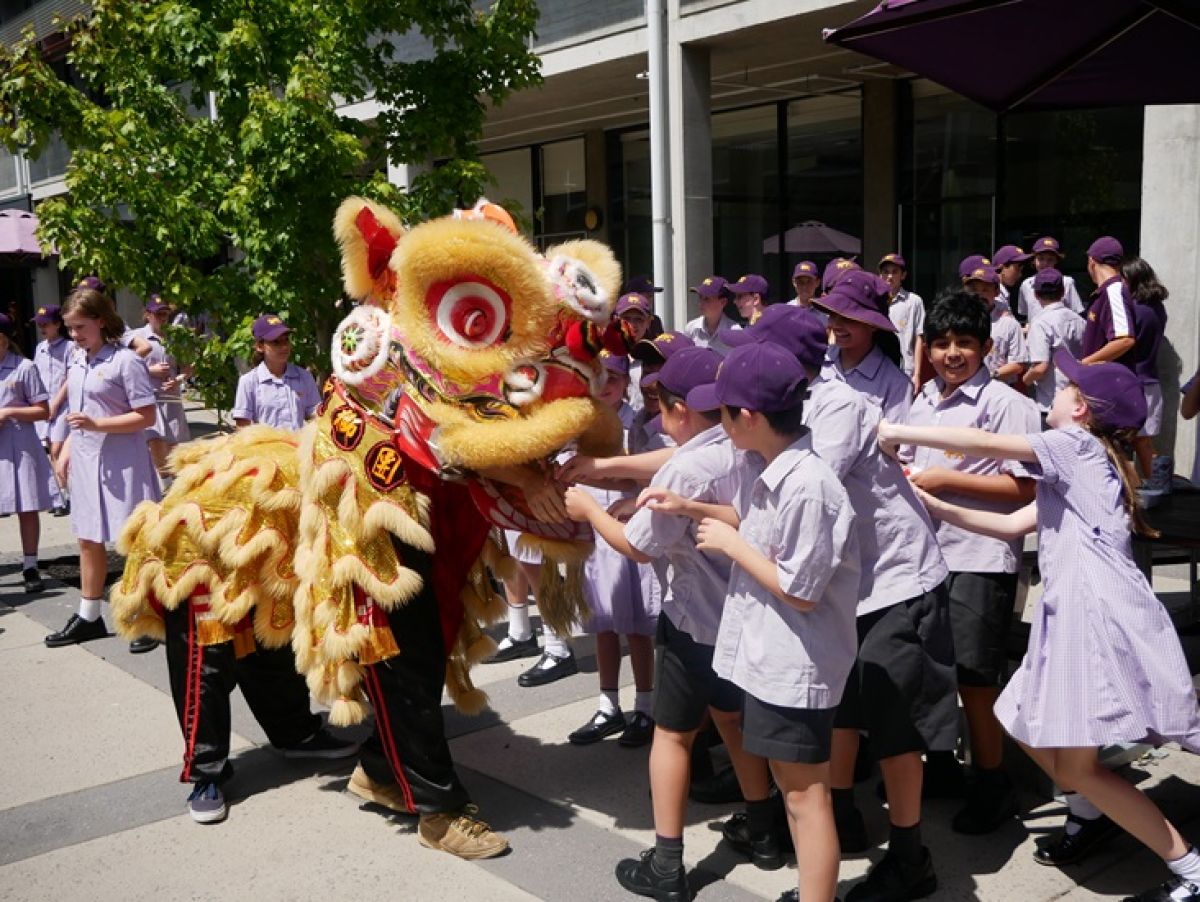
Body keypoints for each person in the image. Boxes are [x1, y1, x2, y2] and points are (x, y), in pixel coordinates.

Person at [880, 351, 1200, 902]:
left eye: (1066, 387)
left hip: (1092, 620)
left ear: (1082, 411)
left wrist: (896, 429)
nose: (1054, 389)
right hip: (1077, 617)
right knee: (1021, 719)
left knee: (1080, 765)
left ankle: (1189, 868)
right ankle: (1090, 813)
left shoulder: (1074, 448)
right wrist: (929, 500)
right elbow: (1007, 523)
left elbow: (987, 445)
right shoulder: (1076, 462)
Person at [723, 305, 957, 901]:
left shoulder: (838, 412)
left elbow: (795, 507)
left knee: (893, 723)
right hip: (839, 591)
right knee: (843, 712)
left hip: (893, 580)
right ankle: (840, 820)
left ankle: (909, 856)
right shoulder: (788, 417)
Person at [566, 347, 772, 902]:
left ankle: (666, 863)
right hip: (743, 619)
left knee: (672, 737)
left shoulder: (684, 465)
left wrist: (590, 509)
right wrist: (609, 473)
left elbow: (636, 547)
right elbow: (671, 466)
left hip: (694, 623)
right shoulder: (744, 442)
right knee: (732, 720)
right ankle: (764, 828)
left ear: (674, 408)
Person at [687, 341, 860, 902]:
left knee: (806, 799)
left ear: (751, 416)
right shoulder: (775, 470)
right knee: (796, 792)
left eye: (725, 412)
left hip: (797, 664)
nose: (720, 423)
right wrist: (692, 509)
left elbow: (801, 592)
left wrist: (733, 546)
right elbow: (759, 532)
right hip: (774, 659)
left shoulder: (808, 485)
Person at [901, 290, 1040, 835]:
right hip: (925, 557)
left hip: (979, 556)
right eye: (940, 343)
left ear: (986, 347)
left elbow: (1027, 489)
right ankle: (944, 766)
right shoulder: (922, 401)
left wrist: (944, 483)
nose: (952, 353)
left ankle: (993, 780)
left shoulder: (1007, 405)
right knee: (933, 670)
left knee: (976, 679)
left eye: (963, 343)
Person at [45, 286, 162, 647]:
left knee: (133, 542)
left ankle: (147, 616)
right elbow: (72, 411)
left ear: (100, 321)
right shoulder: (77, 361)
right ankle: (89, 616)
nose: (75, 336)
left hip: (123, 463)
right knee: (88, 539)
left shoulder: (125, 362)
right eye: (70, 329)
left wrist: (98, 425)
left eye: (80, 327)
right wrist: (63, 448)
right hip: (85, 461)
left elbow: (146, 415)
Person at [563, 351, 657, 746]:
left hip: (626, 529)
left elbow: (643, 475)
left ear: (626, 381)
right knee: (601, 621)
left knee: (635, 626)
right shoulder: (577, 424)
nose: (606, 385)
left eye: (614, 377)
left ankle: (646, 707)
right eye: (598, 377)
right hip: (591, 532)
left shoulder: (637, 423)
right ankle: (607, 704)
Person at [814, 270, 912, 423]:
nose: (836, 325)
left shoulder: (896, 384)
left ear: (873, 325)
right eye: (833, 315)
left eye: (848, 318)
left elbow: (897, 445)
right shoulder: (817, 363)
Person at [0, 313, 52, 593]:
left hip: (20, 445)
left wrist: (9, 412)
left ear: (5, 340)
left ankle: (30, 564)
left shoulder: (24, 368)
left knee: (26, 506)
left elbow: (43, 409)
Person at [1122, 256, 1171, 493]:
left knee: (1123, 445)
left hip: (1134, 383)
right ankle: (1157, 490)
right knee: (1143, 442)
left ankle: (1140, 496)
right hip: (1150, 382)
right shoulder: (1158, 309)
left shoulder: (1134, 310)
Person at [133, 294, 192, 474]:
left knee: (176, 454)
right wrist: (150, 371)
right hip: (150, 401)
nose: (163, 318)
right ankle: (162, 491)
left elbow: (187, 368)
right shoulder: (138, 338)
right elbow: (125, 370)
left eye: (165, 314)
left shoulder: (175, 338)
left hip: (172, 401)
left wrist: (178, 380)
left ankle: (172, 490)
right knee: (156, 447)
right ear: (148, 314)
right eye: (158, 314)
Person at [231, 314, 321, 430]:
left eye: (286, 340)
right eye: (276, 342)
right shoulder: (248, 382)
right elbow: (242, 428)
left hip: (297, 446)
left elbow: (316, 418)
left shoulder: (304, 377)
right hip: (263, 447)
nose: (284, 347)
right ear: (260, 346)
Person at [1022, 268, 1086, 422]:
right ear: (1063, 291)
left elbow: (1040, 367)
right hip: (1078, 399)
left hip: (1051, 403)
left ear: (1036, 295)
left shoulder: (1040, 323)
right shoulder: (1079, 320)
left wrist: (1025, 380)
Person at [960, 255, 1028, 387]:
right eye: (974, 290)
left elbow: (1018, 364)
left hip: (1001, 389)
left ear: (997, 291)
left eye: (985, 290)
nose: (979, 295)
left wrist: (990, 375)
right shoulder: (958, 320)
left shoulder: (1009, 324)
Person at [32, 304, 71, 516]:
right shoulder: (40, 348)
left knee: (57, 449)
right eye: (39, 325)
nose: (42, 328)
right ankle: (58, 495)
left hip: (63, 405)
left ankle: (64, 495)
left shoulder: (69, 347)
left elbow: (70, 377)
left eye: (46, 324)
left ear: (58, 324)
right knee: (48, 449)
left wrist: (56, 402)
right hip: (44, 406)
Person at [1081, 236, 1137, 370]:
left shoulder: (1113, 290)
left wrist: (1083, 365)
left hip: (1111, 384)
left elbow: (1124, 340)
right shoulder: (1107, 292)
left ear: (1091, 262)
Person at [878, 253, 926, 390]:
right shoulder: (874, 301)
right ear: (880, 275)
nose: (890, 277)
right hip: (879, 368)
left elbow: (919, 338)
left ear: (903, 275)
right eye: (885, 272)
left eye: (894, 272)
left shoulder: (914, 301)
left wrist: (917, 373)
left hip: (905, 369)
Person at [1017, 236, 1085, 324]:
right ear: (1034, 260)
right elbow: (1025, 314)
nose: (1045, 263)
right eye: (1041, 259)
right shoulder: (1026, 285)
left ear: (1056, 261)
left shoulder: (1067, 282)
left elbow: (1076, 313)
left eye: (1050, 259)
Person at [615, 293, 656, 412]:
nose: (632, 325)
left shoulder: (656, 356)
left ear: (648, 322)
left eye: (639, 319)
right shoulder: (603, 356)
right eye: (626, 318)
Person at [683, 276, 740, 355]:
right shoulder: (691, 328)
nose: (701, 303)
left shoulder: (735, 332)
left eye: (707, 299)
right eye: (700, 297)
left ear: (723, 302)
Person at [992, 245, 1031, 319]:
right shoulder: (994, 296)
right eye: (1017, 269)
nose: (1020, 275)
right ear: (1001, 267)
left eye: (1021, 270)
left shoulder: (1003, 293)